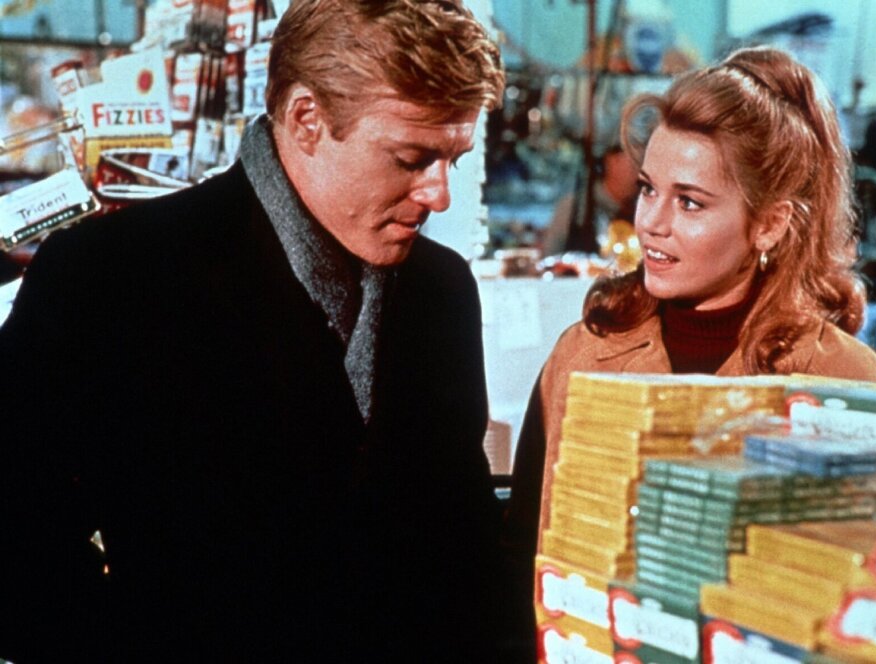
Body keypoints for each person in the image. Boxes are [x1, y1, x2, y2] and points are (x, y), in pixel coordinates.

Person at [0, 1, 509, 661]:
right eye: (411, 159)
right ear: (306, 119)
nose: (438, 194)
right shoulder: (112, 276)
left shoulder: (442, 290)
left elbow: (466, 551)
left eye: (453, 160)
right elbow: (17, 542)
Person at [504, 45, 876, 651]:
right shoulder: (582, 356)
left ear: (769, 225)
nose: (652, 223)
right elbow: (519, 571)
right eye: (648, 189)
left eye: (689, 202)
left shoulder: (844, 382)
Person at [542, 143, 639, 257]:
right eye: (634, 163)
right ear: (612, 161)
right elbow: (549, 258)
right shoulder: (575, 208)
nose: (639, 171)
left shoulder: (641, 211)